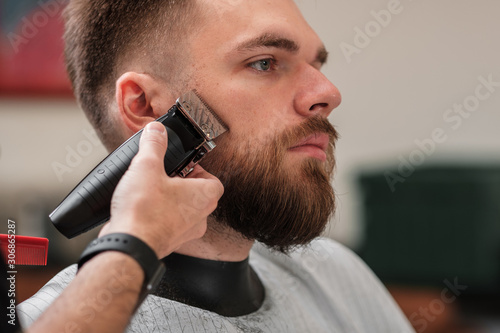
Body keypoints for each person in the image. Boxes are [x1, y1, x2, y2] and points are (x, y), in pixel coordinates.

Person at [18, 0, 415, 332]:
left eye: (317, 64)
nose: (327, 93)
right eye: (264, 63)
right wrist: (134, 243)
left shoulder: (333, 274)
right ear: (142, 105)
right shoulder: (39, 322)